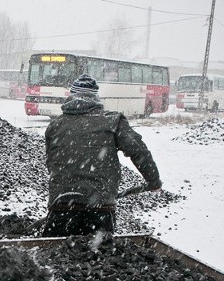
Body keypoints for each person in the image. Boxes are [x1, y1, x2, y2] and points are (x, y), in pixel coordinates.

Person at [43, 74, 162, 240]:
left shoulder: (55, 125)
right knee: (98, 261)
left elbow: (51, 162)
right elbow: (139, 151)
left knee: (55, 259)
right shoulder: (112, 121)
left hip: (60, 206)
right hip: (100, 208)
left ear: (71, 96)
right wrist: (154, 181)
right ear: (96, 98)